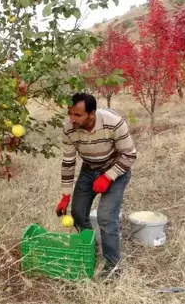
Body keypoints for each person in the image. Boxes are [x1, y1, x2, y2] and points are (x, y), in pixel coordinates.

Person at [55, 92, 137, 279]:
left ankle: (112, 268)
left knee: (106, 217)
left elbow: (130, 155)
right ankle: (89, 250)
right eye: (70, 113)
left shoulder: (113, 122)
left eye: (78, 115)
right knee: (77, 213)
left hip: (116, 169)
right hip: (89, 169)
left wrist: (108, 177)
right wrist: (65, 195)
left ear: (92, 113)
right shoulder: (69, 129)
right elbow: (68, 162)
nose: (72, 119)